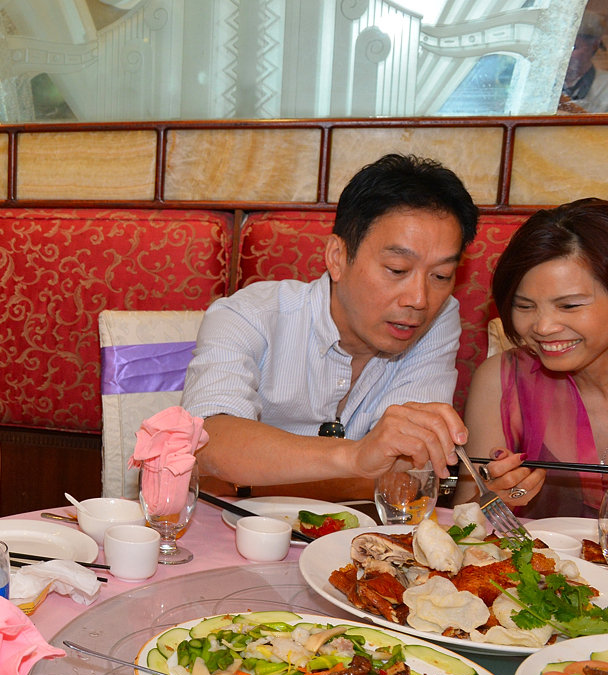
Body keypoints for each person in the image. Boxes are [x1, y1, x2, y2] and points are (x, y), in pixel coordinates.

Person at [181, 153, 479, 500]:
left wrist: (247, 478)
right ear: (337, 257)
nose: (419, 299)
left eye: (441, 275)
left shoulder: (438, 320)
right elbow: (208, 443)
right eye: (397, 269)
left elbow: (406, 478)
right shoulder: (250, 314)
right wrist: (357, 458)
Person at [463, 198, 608, 517]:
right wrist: (499, 498)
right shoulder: (502, 381)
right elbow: (464, 518)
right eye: (525, 306)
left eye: (569, 306)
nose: (542, 327)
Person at [559, 11, 608, 114]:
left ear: (594, 46)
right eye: (560, 48)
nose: (564, 55)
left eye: (574, 47)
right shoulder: (543, 83)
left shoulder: (605, 86)